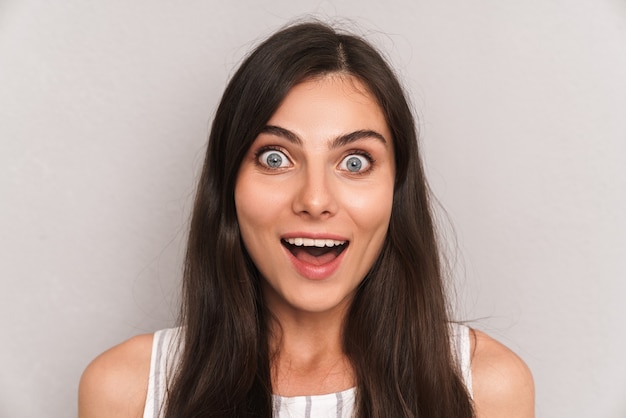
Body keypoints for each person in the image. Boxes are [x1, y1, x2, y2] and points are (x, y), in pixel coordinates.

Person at [79, 21, 534, 418]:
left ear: (397, 191)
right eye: (276, 158)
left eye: (355, 162)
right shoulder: (126, 390)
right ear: (229, 184)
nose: (315, 200)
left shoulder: (487, 387)